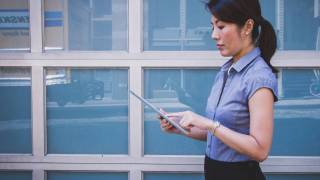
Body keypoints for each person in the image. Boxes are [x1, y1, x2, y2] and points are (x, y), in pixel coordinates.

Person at [159, 0, 278, 179]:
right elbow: (219, 134)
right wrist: (179, 127)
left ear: (247, 27)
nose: (214, 35)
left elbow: (260, 150)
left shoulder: (258, 77)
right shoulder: (226, 71)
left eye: (221, 26)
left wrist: (207, 123)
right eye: (213, 26)